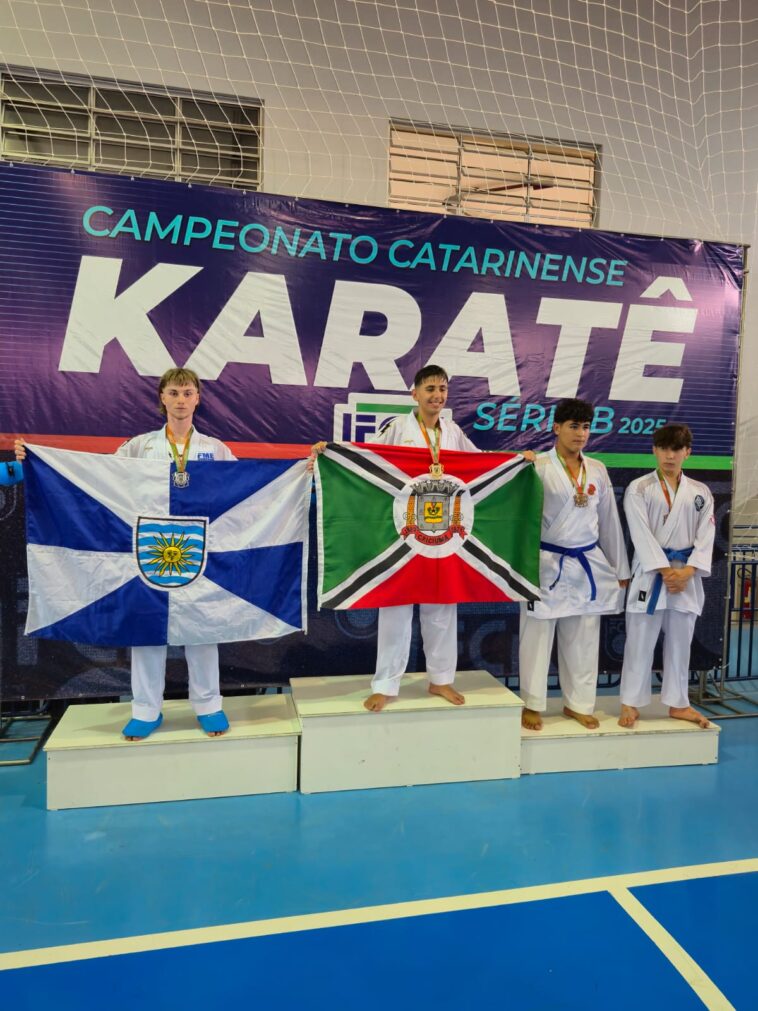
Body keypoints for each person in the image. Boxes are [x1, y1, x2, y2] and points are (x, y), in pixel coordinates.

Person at [16, 367, 235, 741]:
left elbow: (245, 491)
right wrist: (34, 461)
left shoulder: (215, 449)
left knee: (201, 628)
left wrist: (300, 475)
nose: (180, 400)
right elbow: (100, 478)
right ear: (161, 397)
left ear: (198, 398)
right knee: (147, 629)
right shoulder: (139, 446)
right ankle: (146, 710)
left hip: (197, 546)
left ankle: (209, 706)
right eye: (173, 393)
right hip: (148, 547)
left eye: (187, 393)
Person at [310, 365, 527, 714]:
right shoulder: (397, 428)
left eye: (442, 389)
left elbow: (480, 464)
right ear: (415, 394)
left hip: (444, 532)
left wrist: (516, 462)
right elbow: (365, 460)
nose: (437, 395)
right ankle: (385, 684)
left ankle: (441, 678)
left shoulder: (452, 431)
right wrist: (331, 453)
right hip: (405, 530)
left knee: (442, 605)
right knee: (395, 607)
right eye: (430, 389)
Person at [519, 398, 629, 731]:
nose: (580, 433)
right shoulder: (537, 465)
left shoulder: (597, 469)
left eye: (585, 427)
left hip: (586, 562)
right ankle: (532, 704)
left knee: (584, 636)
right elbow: (520, 518)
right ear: (557, 428)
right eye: (573, 426)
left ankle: (578, 704)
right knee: (536, 636)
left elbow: (608, 520)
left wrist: (620, 568)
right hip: (545, 561)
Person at [618, 424, 714, 729]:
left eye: (676, 449)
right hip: (651, 575)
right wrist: (664, 570)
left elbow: (706, 536)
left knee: (681, 642)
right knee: (639, 640)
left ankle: (678, 703)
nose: (669, 456)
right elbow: (640, 534)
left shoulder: (700, 492)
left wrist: (687, 572)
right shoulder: (639, 488)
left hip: (686, 576)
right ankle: (631, 702)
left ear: (687, 452)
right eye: (663, 448)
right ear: (654, 450)